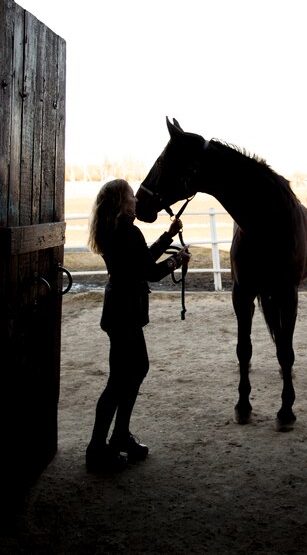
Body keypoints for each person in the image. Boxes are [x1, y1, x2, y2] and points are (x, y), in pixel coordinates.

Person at [85, 178, 191, 472]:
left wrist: (168, 236)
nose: (135, 200)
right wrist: (176, 260)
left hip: (119, 311)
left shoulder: (114, 231)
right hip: (126, 313)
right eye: (131, 196)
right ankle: (98, 448)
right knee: (120, 379)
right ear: (122, 203)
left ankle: (118, 437)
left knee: (131, 373)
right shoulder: (128, 233)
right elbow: (150, 271)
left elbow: (140, 261)